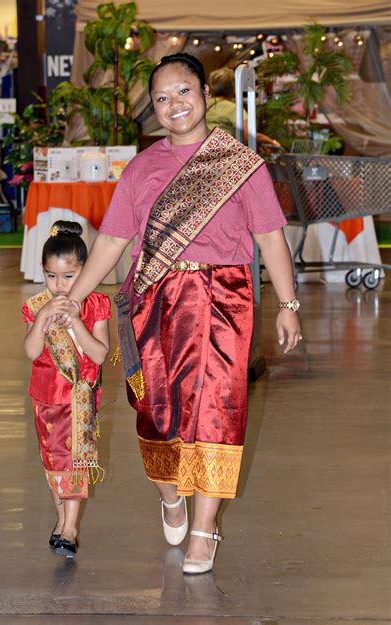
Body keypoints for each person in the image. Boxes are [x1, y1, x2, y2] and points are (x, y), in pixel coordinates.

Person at [66, 53, 301, 574]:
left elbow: (270, 237)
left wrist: (287, 305)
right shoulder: (143, 168)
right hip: (155, 302)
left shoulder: (239, 164)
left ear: (206, 96)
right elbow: (112, 240)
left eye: (183, 92)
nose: (174, 104)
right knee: (156, 412)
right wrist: (76, 295)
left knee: (218, 411)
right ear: (153, 109)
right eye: (162, 98)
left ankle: (204, 527)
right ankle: (170, 496)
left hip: (226, 298)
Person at [22, 220, 110, 557]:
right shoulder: (36, 307)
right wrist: (43, 317)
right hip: (45, 399)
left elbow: (100, 353)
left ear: (85, 272)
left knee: (73, 461)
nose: (59, 285)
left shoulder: (95, 305)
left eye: (69, 277)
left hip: (78, 399)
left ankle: (70, 529)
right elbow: (31, 351)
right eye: (51, 276)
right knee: (52, 463)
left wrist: (75, 321)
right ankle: (61, 520)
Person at [206, 66, 280, 148]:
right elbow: (248, 136)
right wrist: (271, 142)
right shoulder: (233, 109)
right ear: (233, 87)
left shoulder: (203, 105)